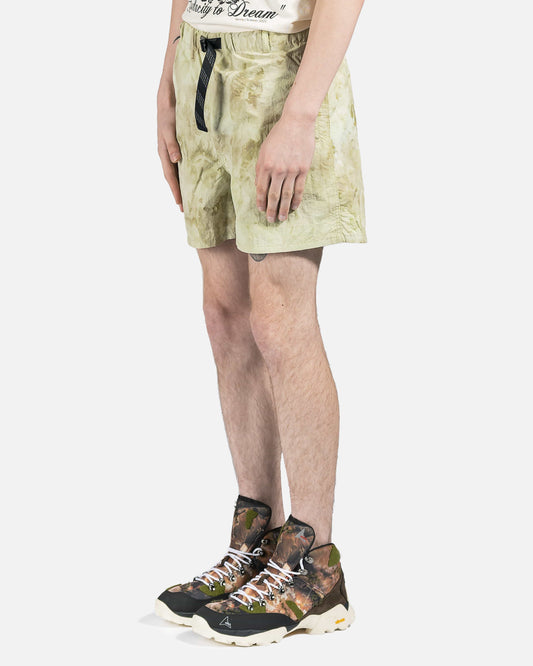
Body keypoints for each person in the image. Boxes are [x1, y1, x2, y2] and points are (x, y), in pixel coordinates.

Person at [155, 0, 367, 646]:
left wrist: (300, 115)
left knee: (281, 323)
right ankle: (257, 542)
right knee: (225, 318)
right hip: (202, 59)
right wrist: (167, 73)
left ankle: (313, 564)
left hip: (281, 68)